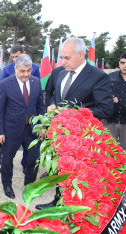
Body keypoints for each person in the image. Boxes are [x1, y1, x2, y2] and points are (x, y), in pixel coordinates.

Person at [37, 37, 114, 210]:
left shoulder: (98, 76)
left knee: (77, 175)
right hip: (58, 134)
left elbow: (106, 109)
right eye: (61, 57)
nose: (62, 62)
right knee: (61, 168)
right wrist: (51, 108)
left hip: (81, 138)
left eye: (67, 58)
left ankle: (74, 209)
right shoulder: (58, 73)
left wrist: (72, 115)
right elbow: (50, 94)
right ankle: (57, 202)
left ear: (81, 54)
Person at [0, 54, 45, 199]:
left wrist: (41, 126)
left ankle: (29, 185)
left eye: (28, 71)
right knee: (7, 159)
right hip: (11, 129)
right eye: (22, 71)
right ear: (15, 69)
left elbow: (40, 106)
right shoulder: (5, 84)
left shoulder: (36, 82)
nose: (26, 74)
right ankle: (7, 185)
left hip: (32, 130)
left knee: (34, 159)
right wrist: (0, 131)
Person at [104, 52, 126, 149]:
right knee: (108, 150)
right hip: (110, 121)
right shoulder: (109, 77)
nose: (125, 66)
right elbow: (102, 95)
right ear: (119, 63)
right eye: (123, 63)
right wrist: (109, 99)